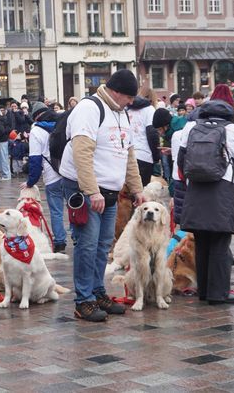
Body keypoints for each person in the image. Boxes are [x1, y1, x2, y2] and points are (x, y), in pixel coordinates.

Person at [60, 69, 145, 322]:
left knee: (102, 245)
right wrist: (91, 190)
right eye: (129, 97)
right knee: (87, 245)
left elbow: (127, 154)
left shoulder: (121, 113)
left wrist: (137, 189)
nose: (131, 102)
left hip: (109, 192)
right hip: (86, 190)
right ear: (116, 92)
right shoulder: (89, 108)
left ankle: (97, 292)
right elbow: (82, 154)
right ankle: (83, 300)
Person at [177, 84, 234, 305]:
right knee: (220, 243)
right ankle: (218, 294)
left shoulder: (191, 127)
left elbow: (181, 160)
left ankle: (204, 290)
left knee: (202, 241)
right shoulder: (233, 130)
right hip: (222, 189)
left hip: (196, 188)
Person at [22, 102, 68, 253]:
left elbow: (35, 160)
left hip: (52, 176)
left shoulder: (36, 131)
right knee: (74, 207)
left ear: (35, 116)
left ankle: (60, 241)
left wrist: (30, 182)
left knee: (56, 210)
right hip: (69, 172)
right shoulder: (62, 122)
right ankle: (78, 237)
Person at [128, 86, 160, 187]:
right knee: (141, 193)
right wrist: (156, 157)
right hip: (144, 155)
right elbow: (152, 134)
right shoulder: (149, 110)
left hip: (126, 155)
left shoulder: (127, 109)